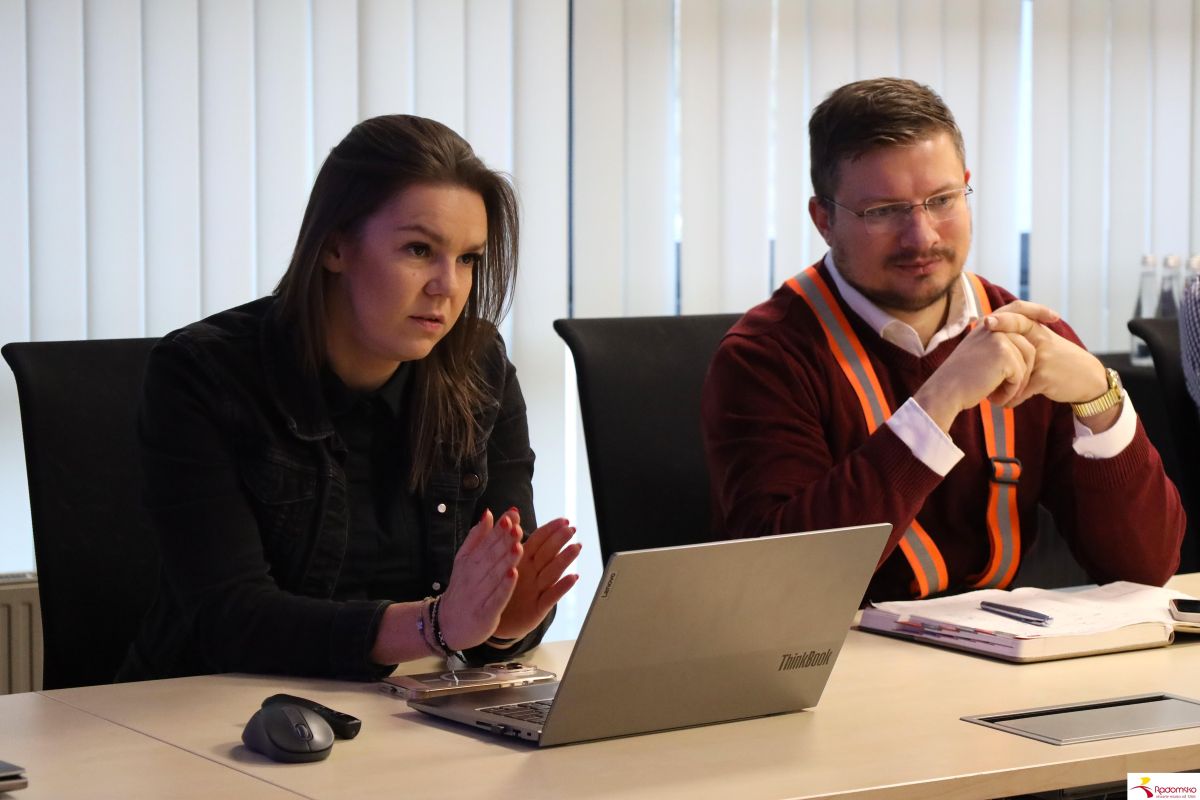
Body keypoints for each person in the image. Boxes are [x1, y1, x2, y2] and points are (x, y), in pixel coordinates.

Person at [118, 115, 580, 681]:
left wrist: (503, 624)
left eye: (468, 259)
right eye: (419, 249)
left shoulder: (477, 365)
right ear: (336, 245)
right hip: (209, 707)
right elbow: (229, 618)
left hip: (402, 708)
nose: (448, 286)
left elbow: (493, 598)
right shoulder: (203, 373)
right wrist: (433, 625)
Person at [702, 78, 1185, 602]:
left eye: (941, 200)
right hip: (841, 648)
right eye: (883, 211)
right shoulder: (765, 357)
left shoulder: (1025, 335)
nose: (922, 236)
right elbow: (785, 585)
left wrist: (1099, 396)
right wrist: (938, 401)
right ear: (824, 220)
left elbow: (1146, 568)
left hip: (998, 642)